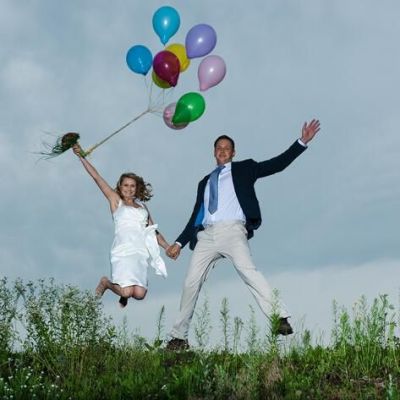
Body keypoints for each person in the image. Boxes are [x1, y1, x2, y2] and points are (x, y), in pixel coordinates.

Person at [165, 119, 321, 350]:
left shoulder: (244, 169)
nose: (222, 151)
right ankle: (178, 338)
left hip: (233, 231)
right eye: (219, 148)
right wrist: (179, 242)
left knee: (248, 271)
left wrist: (301, 142)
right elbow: (196, 215)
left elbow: (276, 165)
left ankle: (279, 317)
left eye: (227, 148)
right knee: (190, 282)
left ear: (233, 153)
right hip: (207, 236)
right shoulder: (204, 182)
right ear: (214, 152)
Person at [72, 144, 169, 308]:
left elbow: (153, 231)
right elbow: (97, 177)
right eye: (125, 185)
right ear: (120, 186)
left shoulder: (143, 207)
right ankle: (106, 283)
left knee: (140, 294)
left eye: (132, 186)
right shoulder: (116, 200)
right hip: (123, 250)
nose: (129, 189)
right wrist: (81, 156)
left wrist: (167, 247)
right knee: (126, 291)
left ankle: (124, 292)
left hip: (139, 252)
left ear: (137, 188)